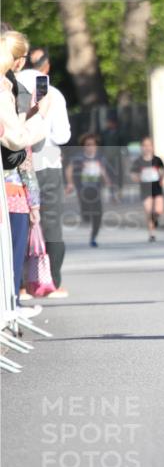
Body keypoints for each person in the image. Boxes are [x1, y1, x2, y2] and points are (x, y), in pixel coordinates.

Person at [1, 35, 50, 317]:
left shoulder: (11, 87)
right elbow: (20, 144)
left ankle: (10, 303)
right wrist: (39, 117)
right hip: (12, 185)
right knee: (13, 252)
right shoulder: (7, 88)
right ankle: (10, 304)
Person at [18, 46, 71, 296]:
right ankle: (51, 282)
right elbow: (61, 136)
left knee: (19, 221)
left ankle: (18, 283)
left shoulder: (12, 82)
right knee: (51, 223)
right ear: (47, 66)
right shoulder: (51, 91)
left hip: (15, 162)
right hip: (46, 161)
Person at [65, 134, 113, 247]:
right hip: (83, 189)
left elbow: (103, 171)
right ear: (84, 146)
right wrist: (70, 183)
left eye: (93, 145)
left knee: (98, 214)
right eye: (88, 145)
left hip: (96, 189)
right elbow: (69, 170)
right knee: (86, 214)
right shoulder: (79, 157)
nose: (90, 147)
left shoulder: (100, 158)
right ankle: (85, 214)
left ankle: (93, 237)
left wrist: (108, 183)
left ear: (96, 146)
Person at [131, 137, 164, 242]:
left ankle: (155, 220)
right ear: (142, 147)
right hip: (145, 188)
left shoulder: (157, 160)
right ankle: (152, 234)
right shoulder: (138, 161)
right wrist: (137, 178)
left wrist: (161, 177)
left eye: (149, 145)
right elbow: (133, 174)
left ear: (152, 147)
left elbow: (162, 170)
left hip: (156, 187)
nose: (147, 148)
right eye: (145, 145)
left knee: (158, 210)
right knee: (148, 211)